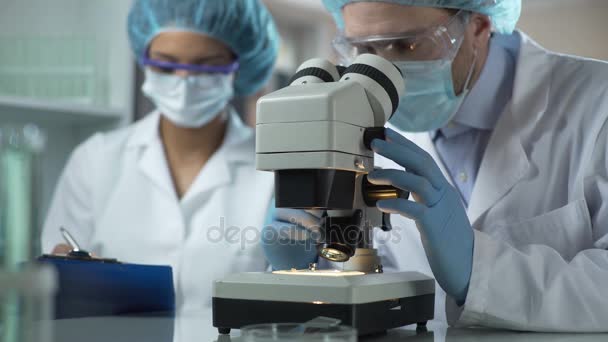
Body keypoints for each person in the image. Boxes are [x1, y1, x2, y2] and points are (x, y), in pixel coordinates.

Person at [262, 0, 608, 332]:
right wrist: (311, 265)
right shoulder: (364, 123)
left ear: (479, 25)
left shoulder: (596, 105)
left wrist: (480, 270)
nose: (382, 68)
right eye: (363, 50)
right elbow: (373, 280)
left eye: (405, 44)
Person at [42, 0, 279, 311]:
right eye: (166, 66)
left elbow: (292, 295)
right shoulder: (95, 159)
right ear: (145, 60)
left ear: (241, 65)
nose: (184, 81)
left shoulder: (275, 169)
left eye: (206, 65)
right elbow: (53, 283)